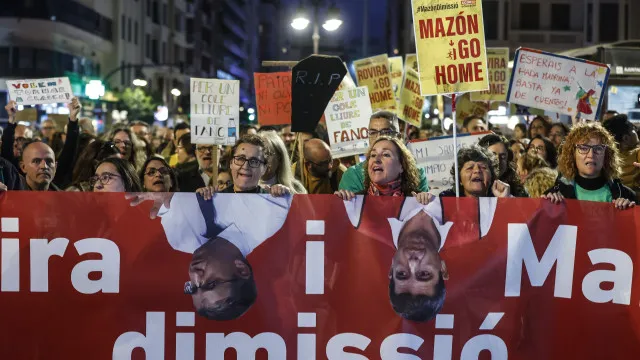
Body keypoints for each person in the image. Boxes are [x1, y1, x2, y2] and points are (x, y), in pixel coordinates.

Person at [543, 122, 635, 209]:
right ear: (572, 154)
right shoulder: (555, 194)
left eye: (598, 149)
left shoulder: (625, 195)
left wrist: (628, 212)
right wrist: (546, 206)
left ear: (607, 155)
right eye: (583, 148)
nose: (591, 155)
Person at [387, 197, 451, 321]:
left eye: (402, 273)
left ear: (391, 268)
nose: (412, 262)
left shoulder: (361, 216)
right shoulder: (478, 223)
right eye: (424, 274)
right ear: (443, 269)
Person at [339, 111, 429, 193]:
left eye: (386, 132)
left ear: (398, 137)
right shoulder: (352, 176)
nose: (378, 137)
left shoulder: (417, 174)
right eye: (373, 132)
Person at [334, 136, 432, 204]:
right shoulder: (354, 201)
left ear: (401, 166)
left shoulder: (417, 202)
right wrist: (336, 205)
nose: (376, 159)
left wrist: (427, 203)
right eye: (373, 155)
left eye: (386, 154)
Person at [196, 134, 292, 197]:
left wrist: (286, 199)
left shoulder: (274, 199)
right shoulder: (215, 199)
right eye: (240, 159)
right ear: (231, 163)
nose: (246, 166)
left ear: (264, 168)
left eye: (254, 161)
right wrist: (201, 200)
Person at [439, 145, 512, 198]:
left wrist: (504, 201)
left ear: (491, 177)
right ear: (459, 179)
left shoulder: (504, 196)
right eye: (470, 168)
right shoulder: (444, 200)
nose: (477, 170)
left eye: (483, 167)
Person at [603, 114, 640, 191]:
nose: (636, 131)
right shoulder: (638, 153)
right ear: (626, 138)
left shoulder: (605, 157)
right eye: (633, 129)